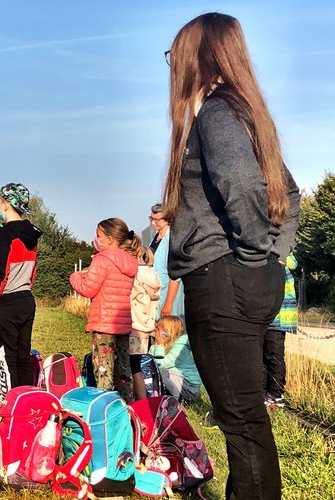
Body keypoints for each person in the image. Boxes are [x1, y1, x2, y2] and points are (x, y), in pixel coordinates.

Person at [163, 13, 300, 499]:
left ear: (197, 57)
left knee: (241, 421)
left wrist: (253, 254)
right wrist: (273, 261)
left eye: (173, 55)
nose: (172, 66)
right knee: (246, 418)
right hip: (244, 277)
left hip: (223, 279)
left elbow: (242, 186)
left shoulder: (218, 113)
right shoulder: (248, 114)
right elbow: (292, 194)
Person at [0, 184, 41, 401]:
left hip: (7, 301)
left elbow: (0, 272)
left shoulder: (5, 235)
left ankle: (9, 407)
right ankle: (27, 404)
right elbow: (32, 270)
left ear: (6, 204)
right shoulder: (32, 233)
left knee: (6, 357)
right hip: (26, 298)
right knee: (23, 355)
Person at [69, 218, 140, 401]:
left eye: (98, 235)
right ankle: (126, 407)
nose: (96, 239)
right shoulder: (130, 262)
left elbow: (88, 289)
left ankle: (104, 407)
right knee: (123, 370)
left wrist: (75, 277)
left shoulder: (102, 260)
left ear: (110, 239)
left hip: (104, 323)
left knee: (103, 370)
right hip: (122, 323)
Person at [264, 254, 298, 408]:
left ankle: (276, 393)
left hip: (279, 319)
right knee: (263, 356)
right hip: (265, 318)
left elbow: (292, 262)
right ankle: (264, 391)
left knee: (274, 356)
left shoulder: (284, 261)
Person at [130, 247, 161, 400]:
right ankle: (142, 400)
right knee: (137, 367)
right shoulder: (153, 275)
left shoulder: (136, 275)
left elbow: (128, 296)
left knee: (129, 367)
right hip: (145, 328)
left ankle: (131, 399)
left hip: (133, 326)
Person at [149, 316, 202, 403]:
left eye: (158, 328)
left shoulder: (180, 347)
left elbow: (160, 364)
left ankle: (174, 399)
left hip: (189, 388)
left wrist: (160, 345)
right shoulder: (155, 347)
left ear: (167, 332)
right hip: (177, 383)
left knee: (161, 372)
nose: (155, 331)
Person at [149, 204, 184, 320]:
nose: (154, 223)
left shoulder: (171, 240)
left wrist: (169, 302)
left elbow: (175, 275)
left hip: (168, 295)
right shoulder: (155, 238)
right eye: (152, 219)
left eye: (158, 220)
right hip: (157, 294)